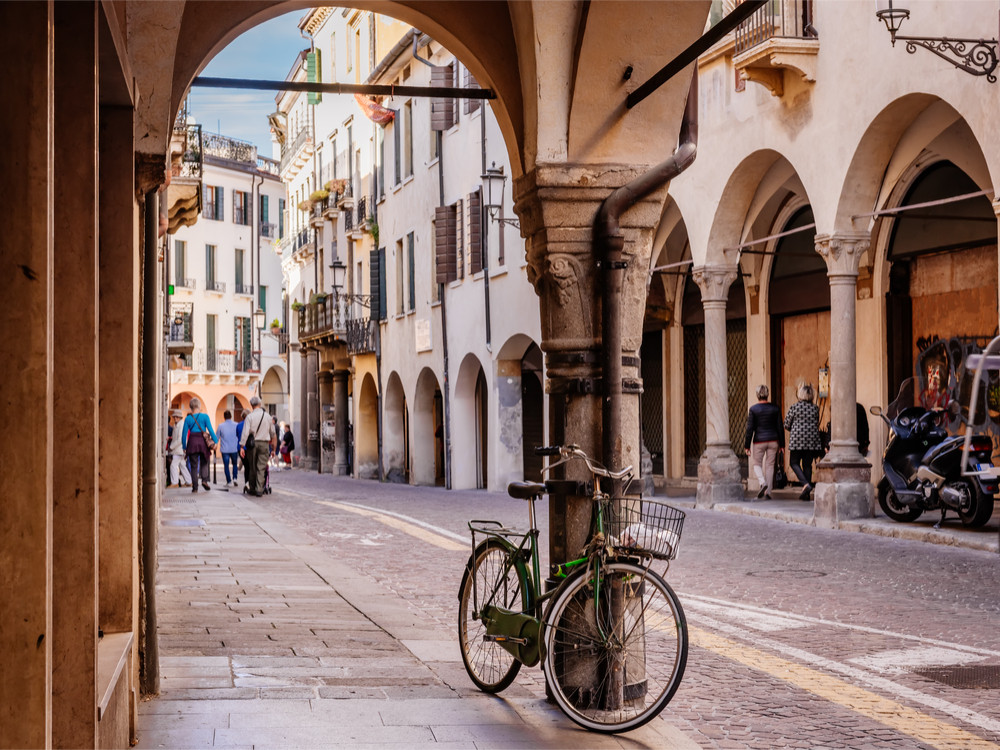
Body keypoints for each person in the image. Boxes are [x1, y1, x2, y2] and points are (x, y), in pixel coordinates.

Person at [784, 383, 823, 501]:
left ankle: (806, 484)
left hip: (797, 440)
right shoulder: (815, 408)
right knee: (807, 465)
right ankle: (806, 493)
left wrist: (794, 429)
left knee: (794, 462)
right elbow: (816, 422)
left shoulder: (794, 407)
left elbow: (786, 424)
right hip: (811, 441)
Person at [744, 385, 783, 499]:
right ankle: (768, 492)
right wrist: (782, 445)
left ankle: (762, 482)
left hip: (759, 441)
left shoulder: (753, 409)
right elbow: (780, 427)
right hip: (773, 440)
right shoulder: (775, 408)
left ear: (757, 395)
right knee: (770, 465)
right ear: (768, 394)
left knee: (757, 464)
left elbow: (749, 429)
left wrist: (747, 446)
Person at [239, 396, 276, 496]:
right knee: (261, 466)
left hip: (252, 444)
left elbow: (245, 432)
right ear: (260, 404)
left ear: (251, 405)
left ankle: (252, 488)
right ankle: (259, 489)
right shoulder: (268, 417)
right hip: (264, 443)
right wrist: (273, 448)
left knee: (252, 466)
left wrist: (242, 446)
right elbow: (273, 433)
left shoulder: (249, 417)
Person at [182, 397, 218, 493]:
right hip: (203, 442)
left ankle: (195, 487)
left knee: (194, 465)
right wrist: (216, 441)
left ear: (190, 407)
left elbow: (184, 433)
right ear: (199, 406)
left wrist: (184, 447)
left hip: (192, 442)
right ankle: (204, 480)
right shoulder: (205, 417)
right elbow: (210, 429)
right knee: (205, 461)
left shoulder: (188, 418)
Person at [166, 410, 192, 488]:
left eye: (177, 417)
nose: (175, 418)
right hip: (179, 450)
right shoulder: (177, 425)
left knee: (173, 465)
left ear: (180, 417)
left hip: (179, 449)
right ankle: (189, 481)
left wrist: (171, 447)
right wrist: (170, 439)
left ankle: (175, 482)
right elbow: (176, 438)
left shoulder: (181, 425)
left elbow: (180, 439)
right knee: (182, 465)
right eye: (174, 417)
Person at [216, 410, 240, 486]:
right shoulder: (236, 424)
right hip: (234, 448)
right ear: (231, 416)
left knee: (226, 466)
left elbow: (216, 438)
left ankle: (229, 481)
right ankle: (235, 478)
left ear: (224, 417)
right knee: (235, 464)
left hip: (225, 449)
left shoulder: (220, 426)